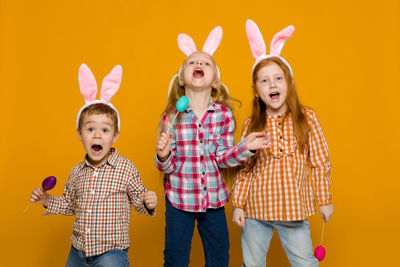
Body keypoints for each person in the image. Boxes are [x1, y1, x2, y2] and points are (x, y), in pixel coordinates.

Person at [155, 26, 270, 267]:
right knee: (175, 260)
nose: (199, 63)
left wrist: (244, 147)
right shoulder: (170, 117)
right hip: (179, 199)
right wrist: (162, 155)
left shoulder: (224, 115)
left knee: (219, 259)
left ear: (215, 81)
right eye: (192, 62)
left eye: (206, 63)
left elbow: (222, 157)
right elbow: (167, 166)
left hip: (214, 201)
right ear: (181, 78)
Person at [30, 64, 157, 267]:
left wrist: (148, 203)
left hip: (110, 254)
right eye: (90, 129)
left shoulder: (125, 168)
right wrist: (46, 199)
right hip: (78, 252)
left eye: (105, 130)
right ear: (80, 134)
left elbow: (139, 199)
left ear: (115, 136)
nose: (97, 135)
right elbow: (69, 204)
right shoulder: (77, 172)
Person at [231, 20, 334, 267]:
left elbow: (320, 162)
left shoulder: (306, 118)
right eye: (264, 81)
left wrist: (325, 199)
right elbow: (244, 169)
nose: (273, 84)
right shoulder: (251, 124)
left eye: (278, 78)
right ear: (256, 90)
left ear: (289, 84)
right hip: (257, 210)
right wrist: (237, 205)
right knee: (252, 263)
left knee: (305, 262)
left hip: (293, 209)